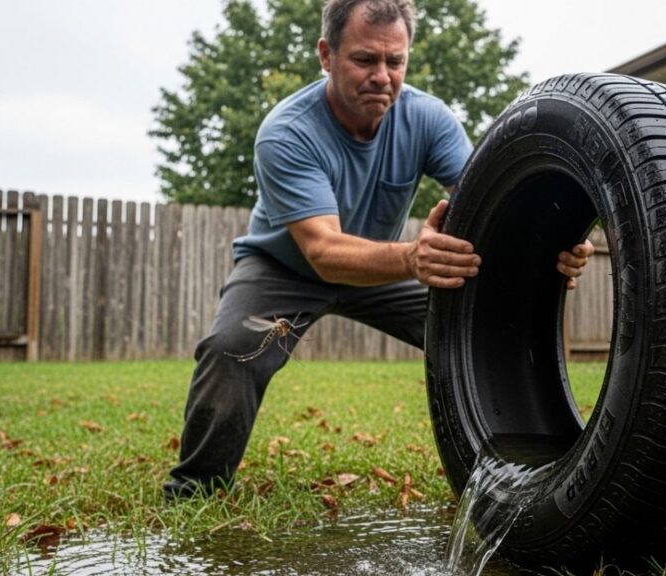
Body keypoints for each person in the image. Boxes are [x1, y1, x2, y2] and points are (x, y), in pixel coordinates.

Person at [163, 0, 595, 500]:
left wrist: (550, 247)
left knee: (495, 318)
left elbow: (495, 200)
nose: (382, 76)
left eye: (396, 61)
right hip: (285, 268)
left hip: (382, 269)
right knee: (232, 348)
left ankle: (529, 475)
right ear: (326, 54)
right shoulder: (286, 132)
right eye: (365, 60)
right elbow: (322, 251)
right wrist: (413, 258)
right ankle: (194, 490)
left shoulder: (428, 119)